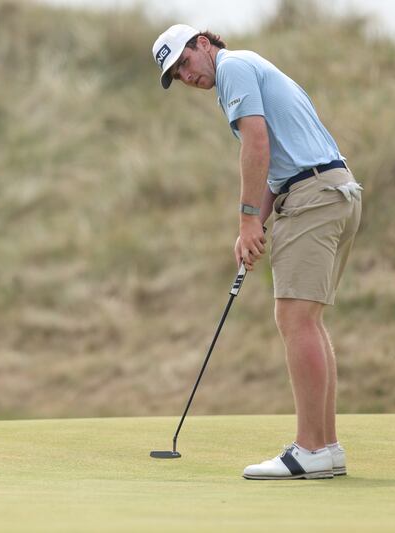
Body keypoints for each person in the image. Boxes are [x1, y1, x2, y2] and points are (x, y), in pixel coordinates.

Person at [152, 24, 363, 480]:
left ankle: (309, 450)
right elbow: (276, 164)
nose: (187, 76)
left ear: (204, 44)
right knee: (307, 320)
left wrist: (248, 218)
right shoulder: (248, 68)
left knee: (294, 319)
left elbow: (257, 143)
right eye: (177, 74)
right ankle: (325, 447)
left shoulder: (234, 68)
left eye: (185, 62)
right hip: (332, 191)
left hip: (314, 197)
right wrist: (254, 223)